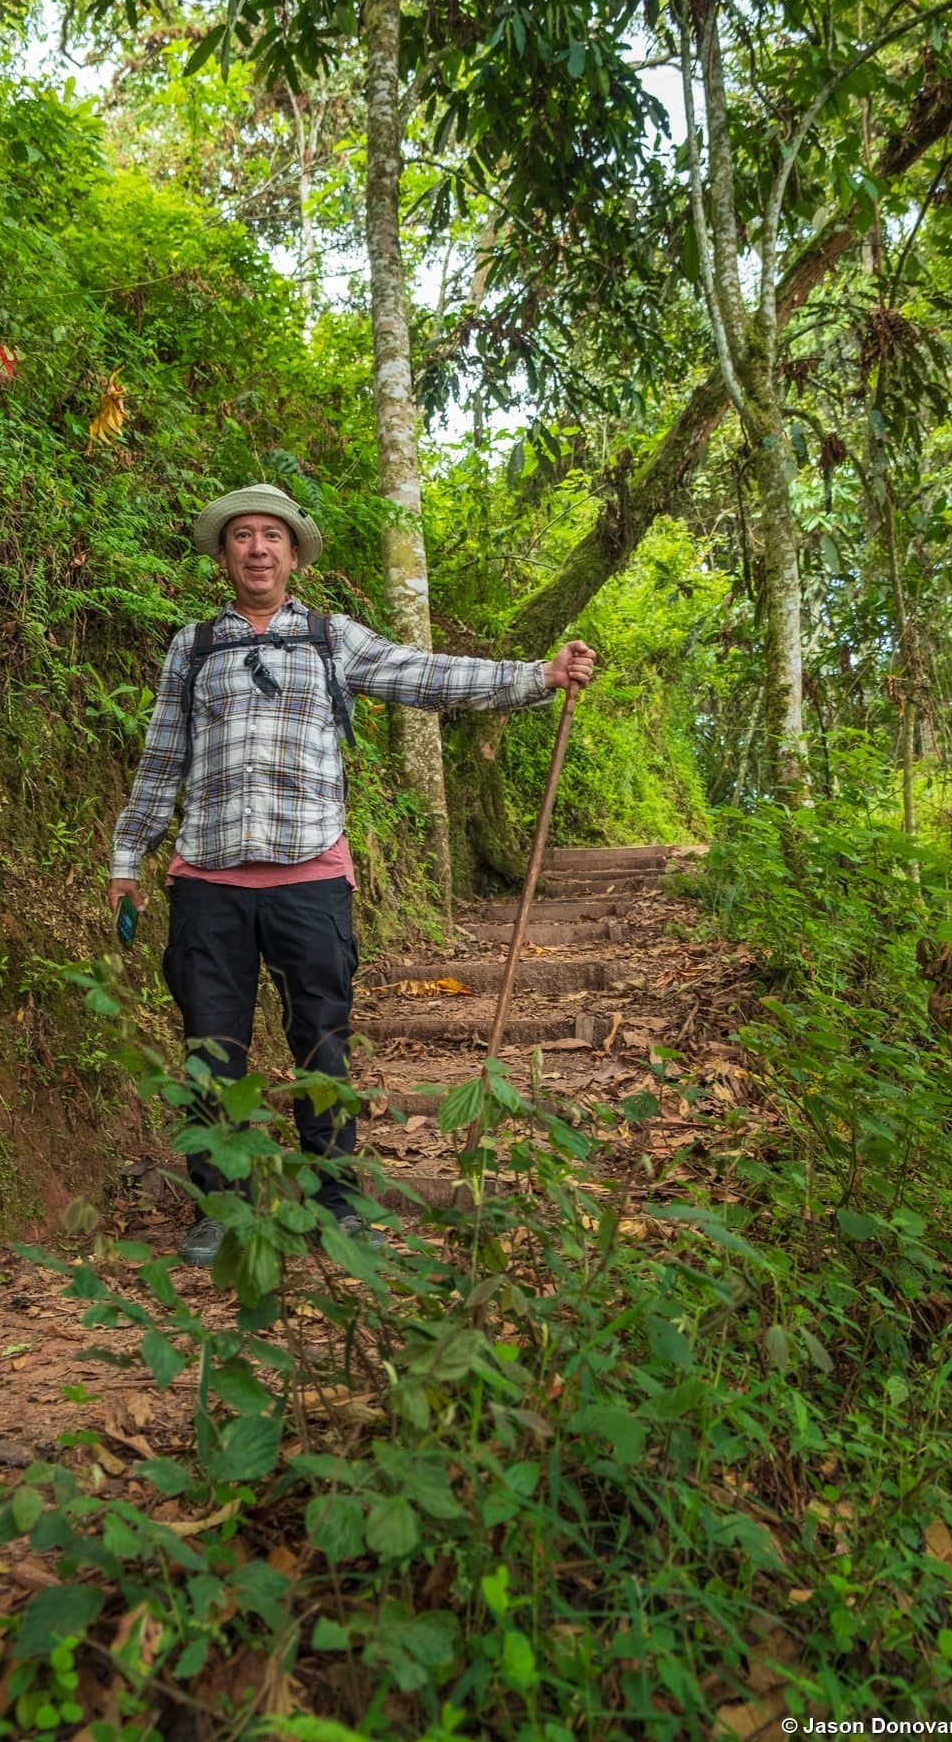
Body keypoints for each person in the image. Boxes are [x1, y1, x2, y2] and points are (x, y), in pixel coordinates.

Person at [108, 483, 596, 1266]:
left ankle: (335, 1202)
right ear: (223, 555)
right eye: (242, 537)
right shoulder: (192, 648)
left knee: (321, 1045)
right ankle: (222, 1208)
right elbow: (163, 759)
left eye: (273, 536)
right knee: (211, 1049)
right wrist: (127, 857)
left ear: (294, 554)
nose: (258, 548)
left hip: (311, 879)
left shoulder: (333, 640)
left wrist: (535, 676)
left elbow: (425, 676)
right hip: (208, 882)